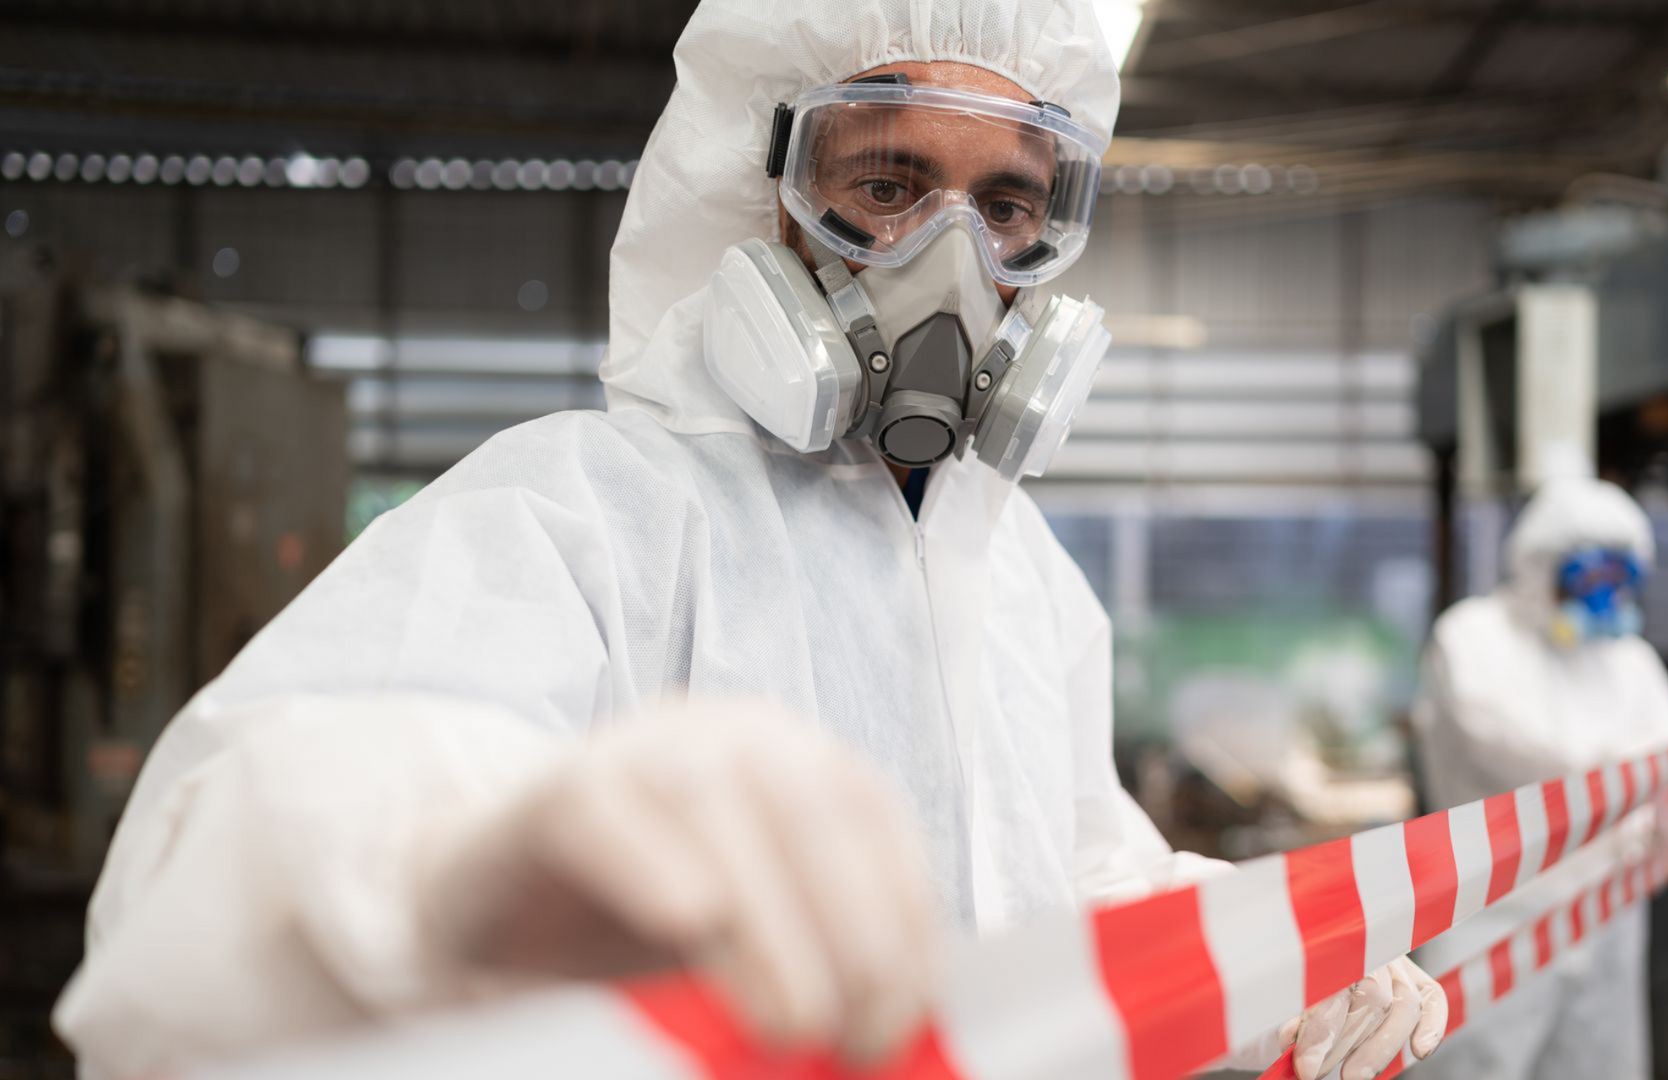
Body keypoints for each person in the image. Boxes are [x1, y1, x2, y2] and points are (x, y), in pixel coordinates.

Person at [55, 3, 1446, 1078]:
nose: (950, 262)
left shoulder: (1019, 577)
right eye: (889, 181)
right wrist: (447, 884)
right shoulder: (585, 512)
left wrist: (1257, 956)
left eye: (1009, 206)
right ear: (764, 194)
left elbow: (1061, 879)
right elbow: (212, 857)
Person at [1410, 477, 1668, 1080]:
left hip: (1607, 909)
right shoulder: (1473, 638)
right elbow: (1531, 755)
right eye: (1590, 577)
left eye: (1622, 579)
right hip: (1496, 911)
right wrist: (1632, 775)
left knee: (1599, 1063)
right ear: (1540, 569)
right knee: (1474, 1061)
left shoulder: (1629, 659)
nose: (1607, 596)